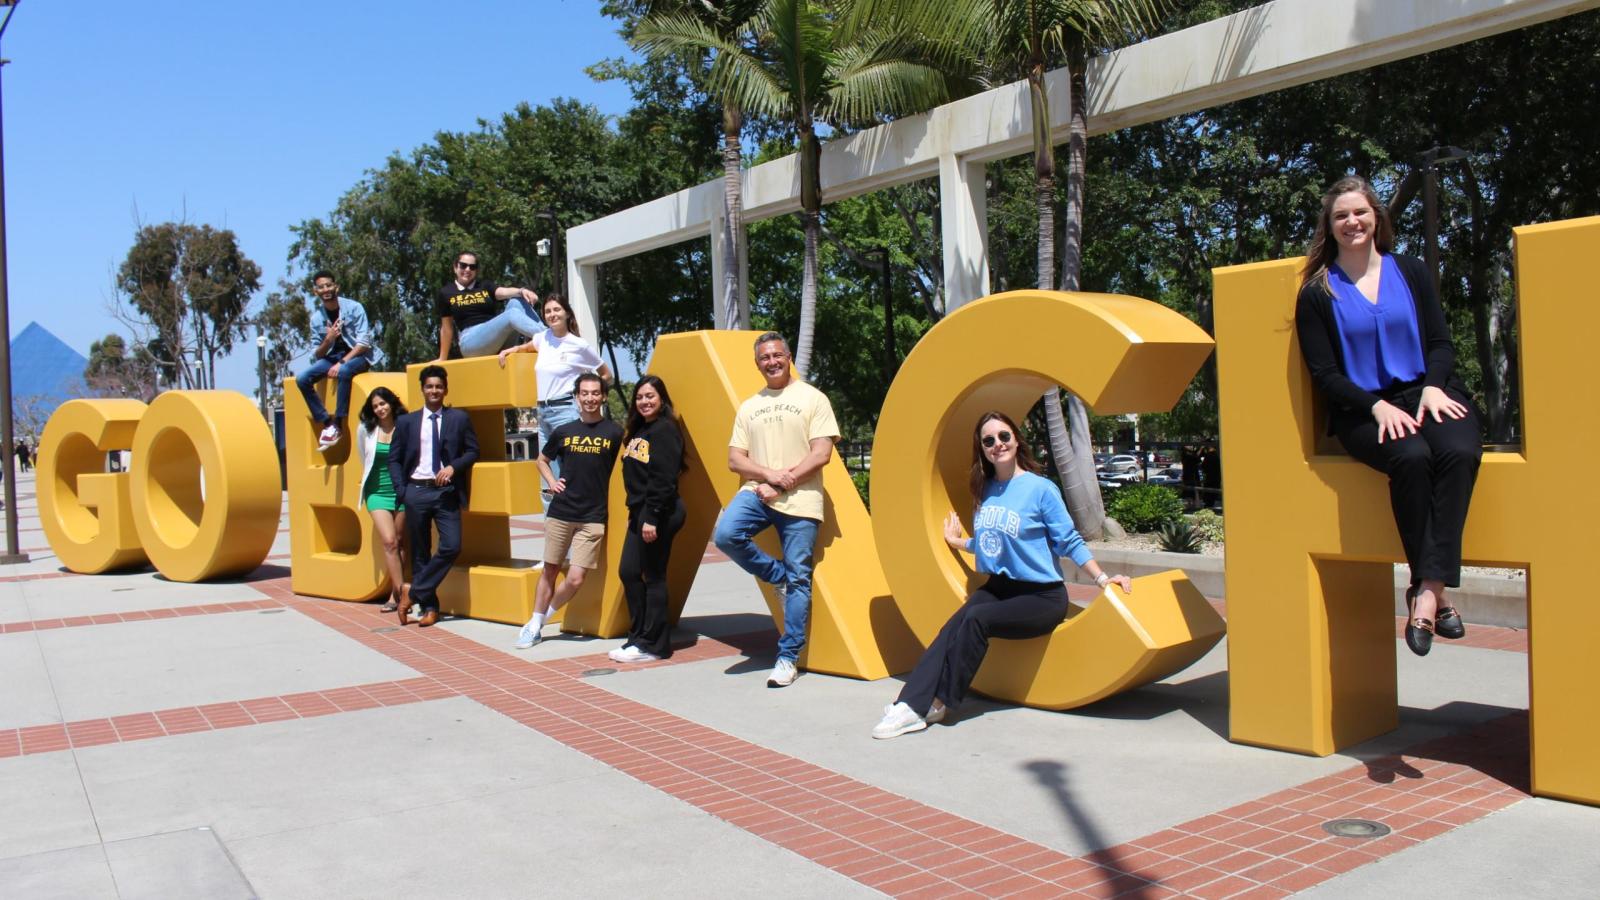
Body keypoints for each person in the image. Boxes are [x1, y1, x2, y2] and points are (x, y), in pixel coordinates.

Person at [1295, 175, 1482, 657]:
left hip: (1430, 393)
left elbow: (1441, 342)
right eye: (1341, 216)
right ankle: (1435, 597)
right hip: (1364, 408)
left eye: (1359, 212)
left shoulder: (1412, 271)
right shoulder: (1317, 292)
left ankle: (1425, 591)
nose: (1351, 222)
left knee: (1459, 451)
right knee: (1412, 458)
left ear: (1377, 217)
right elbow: (1324, 373)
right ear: (1329, 226)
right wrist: (1375, 406)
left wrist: (1434, 388)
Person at [872, 412, 1132, 739]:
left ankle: (937, 703)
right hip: (1000, 588)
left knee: (976, 619)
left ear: (1016, 439)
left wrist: (1102, 579)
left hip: (1042, 596)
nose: (998, 445)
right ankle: (909, 703)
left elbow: (1069, 541)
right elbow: (991, 544)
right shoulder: (986, 489)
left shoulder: (1041, 489)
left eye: (1004, 436)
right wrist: (960, 542)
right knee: (951, 627)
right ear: (982, 449)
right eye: (989, 440)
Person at [712, 332, 840, 688]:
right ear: (758, 364)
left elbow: (821, 454)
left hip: (801, 502)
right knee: (725, 535)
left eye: (777, 355)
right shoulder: (750, 406)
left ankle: (788, 657)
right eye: (765, 357)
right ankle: (775, 575)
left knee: (801, 576)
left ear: (788, 357)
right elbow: (735, 459)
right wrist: (768, 475)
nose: (772, 362)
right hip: (758, 493)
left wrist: (781, 483)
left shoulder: (813, 398)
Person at [515, 373, 623, 649]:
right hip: (561, 512)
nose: (590, 398)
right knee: (550, 570)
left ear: (602, 396)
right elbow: (541, 459)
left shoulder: (614, 433)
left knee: (575, 578)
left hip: (593, 517)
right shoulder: (564, 431)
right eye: (584, 393)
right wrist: (552, 482)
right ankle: (535, 623)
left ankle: (542, 619)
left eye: (595, 393)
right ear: (577, 397)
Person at [388, 365, 479, 627]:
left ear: (445, 389)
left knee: (452, 546)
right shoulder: (406, 422)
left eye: (439, 386)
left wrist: (453, 467)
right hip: (415, 490)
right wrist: (402, 490)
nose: (434, 391)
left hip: (445, 492)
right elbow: (394, 459)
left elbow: (473, 451)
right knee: (420, 552)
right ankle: (430, 608)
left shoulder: (459, 419)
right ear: (422, 390)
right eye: (429, 386)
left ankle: (413, 592)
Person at [498, 293, 613, 489]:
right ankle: (550, 519)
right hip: (542, 413)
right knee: (547, 475)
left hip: (566, 411)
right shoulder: (543, 338)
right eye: (548, 311)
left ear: (567, 313)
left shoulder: (579, 345)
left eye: (557, 310)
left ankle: (574, 517)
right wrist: (512, 349)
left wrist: (586, 398)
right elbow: (527, 347)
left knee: (571, 470)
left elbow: (606, 375)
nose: (552, 314)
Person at [613, 376, 687, 663]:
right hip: (641, 511)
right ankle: (639, 637)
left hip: (659, 512)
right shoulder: (640, 430)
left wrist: (652, 517)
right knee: (629, 572)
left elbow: (664, 478)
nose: (644, 401)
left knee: (654, 576)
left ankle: (655, 646)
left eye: (650, 396)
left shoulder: (665, 430)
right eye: (640, 397)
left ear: (662, 399)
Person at [294, 271, 375, 451]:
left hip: (358, 356)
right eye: (321, 287)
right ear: (316, 291)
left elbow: (364, 343)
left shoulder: (354, 308)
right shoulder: (316, 319)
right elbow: (317, 354)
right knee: (302, 379)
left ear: (336, 286)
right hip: (332, 357)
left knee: (344, 372)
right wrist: (329, 339)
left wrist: (342, 362)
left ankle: (339, 424)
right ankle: (327, 423)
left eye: (329, 285)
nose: (326, 290)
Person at [436, 250, 545, 360]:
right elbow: (446, 328)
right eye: (463, 266)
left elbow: (502, 292)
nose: (467, 269)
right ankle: (550, 336)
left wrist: (521, 291)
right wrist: (442, 358)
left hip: (495, 336)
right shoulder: (446, 292)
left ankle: (548, 334)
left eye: (472, 267)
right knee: (511, 314)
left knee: (516, 301)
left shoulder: (484, 285)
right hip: (470, 341)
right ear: (455, 267)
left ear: (476, 270)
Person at [357, 387, 409, 614]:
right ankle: (401, 593)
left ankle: (395, 594)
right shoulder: (366, 429)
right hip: (376, 491)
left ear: (391, 403)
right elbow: (364, 457)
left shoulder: (406, 425)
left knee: (401, 541)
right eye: (375, 405)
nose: (380, 408)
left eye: (383, 403)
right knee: (389, 542)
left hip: (402, 490)